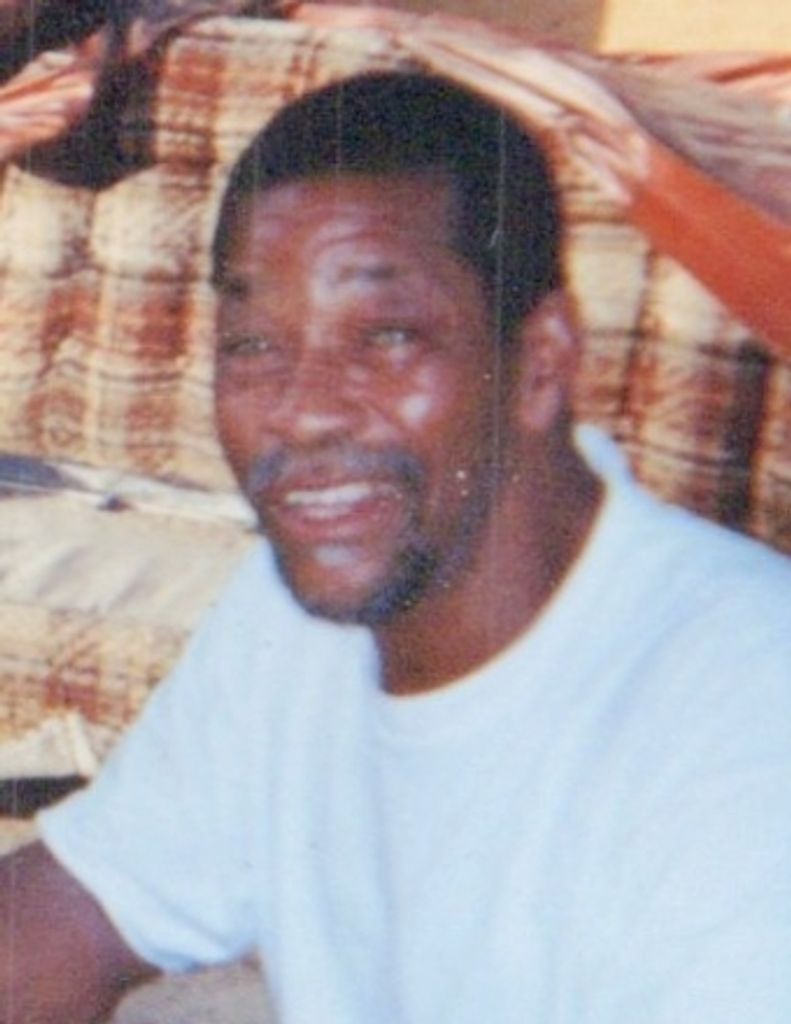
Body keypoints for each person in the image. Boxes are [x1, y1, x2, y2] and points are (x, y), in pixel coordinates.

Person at [2, 71, 791, 1024]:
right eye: (253, 345)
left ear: (540, 364)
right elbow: (68, 920)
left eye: (385, 336)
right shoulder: (301, 612)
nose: (303, 411)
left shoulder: (743, 717)